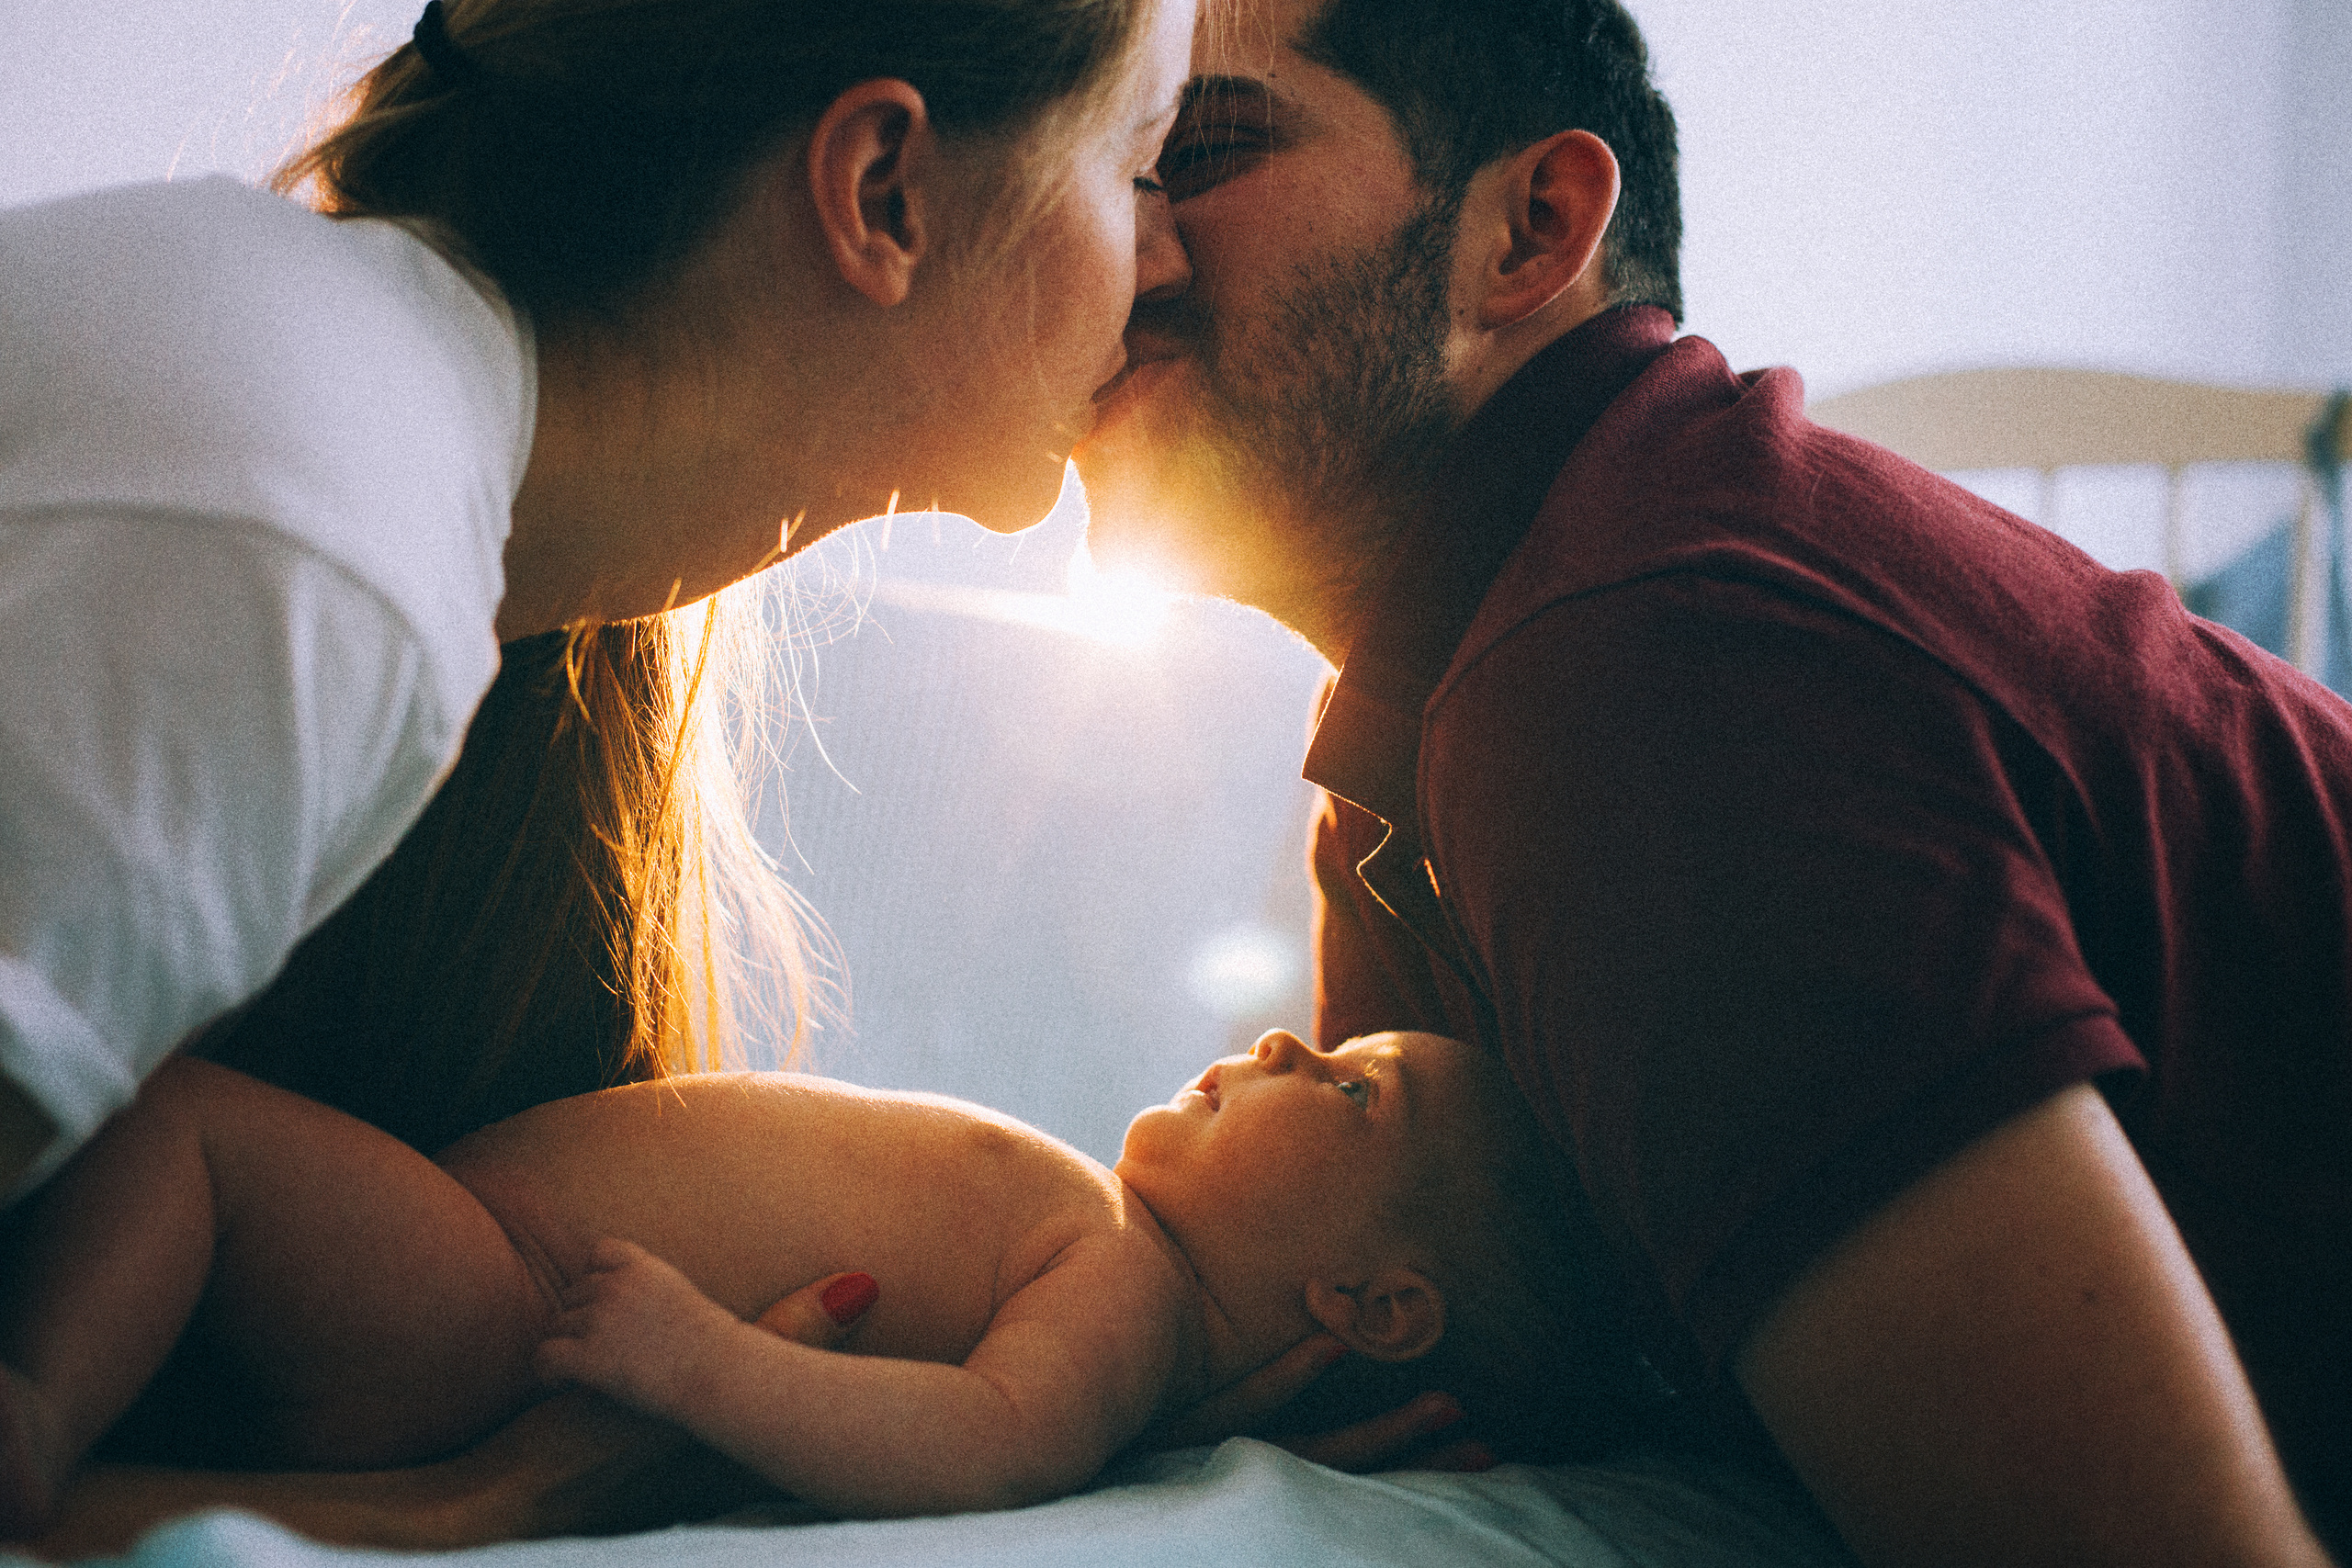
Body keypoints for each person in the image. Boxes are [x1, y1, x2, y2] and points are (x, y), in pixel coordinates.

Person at [1073, 2, 2352, 1565]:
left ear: (1531, 232)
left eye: (1195, 159)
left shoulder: (1645, 669)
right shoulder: (1435, 732)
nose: (1112, 255)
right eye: (1112, 174)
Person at [0, 0, 1195, 1198]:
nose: (1170, 259)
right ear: (886, 192)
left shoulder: (365, 446)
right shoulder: (311, 544)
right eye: (1137, 169)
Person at [0, 1029, 1587, 1539]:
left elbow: (996, 1436)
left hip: (515, 1305)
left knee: (186, 1128)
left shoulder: (1126, 1289)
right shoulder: (1122, 1268)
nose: (1290, 1040)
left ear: (1380, 1307)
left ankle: (32, 1411)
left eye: (1357, 1089)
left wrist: (705, 1364)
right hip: (496, 1283)